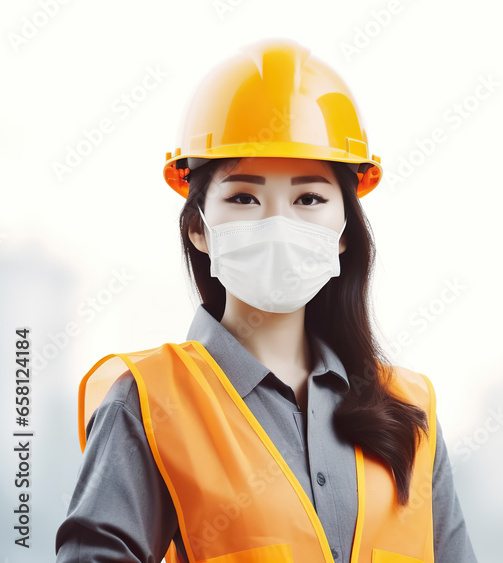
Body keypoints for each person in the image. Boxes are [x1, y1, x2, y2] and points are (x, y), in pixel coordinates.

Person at [54, 38, 477, 563]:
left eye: (309, 199)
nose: (279, 225)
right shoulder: (148, 403)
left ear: (344, 231)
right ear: (198, 229)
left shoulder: (409, 413)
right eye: (244, 197)